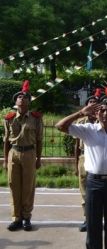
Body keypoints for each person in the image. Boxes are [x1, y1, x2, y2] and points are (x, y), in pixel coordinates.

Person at [56, 98, 107, 249]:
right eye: (102, 110)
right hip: (93, 182)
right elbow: (60, 126)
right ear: (97, 113)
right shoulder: (87, 130)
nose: (105, 114)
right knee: (93, 224)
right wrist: (80, 113)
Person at [3, 80, 43, 232]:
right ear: (16, 101)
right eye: (19, 97)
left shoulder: (36, 118)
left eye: (25, 97)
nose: (22, 98)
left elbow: (39, 140)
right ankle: (16, 218)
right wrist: (6, 159)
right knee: (14, 186)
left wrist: (39, 158)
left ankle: (26, 217)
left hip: (29, 153)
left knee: (28, 187)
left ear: (29, 101)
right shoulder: (9, 118)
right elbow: (6, 141)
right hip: (14, 152)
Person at [74, 90, 101, 232]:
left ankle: (97, 220)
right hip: (83, 158)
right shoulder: (80, 122)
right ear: (86, 107)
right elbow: (76, 146)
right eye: (90, 103)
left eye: (96, 104)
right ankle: (87, 219)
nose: (93, 106)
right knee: (84, 191)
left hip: (97, 159)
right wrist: (75, 164)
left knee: (97, 192)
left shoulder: (103, 122)